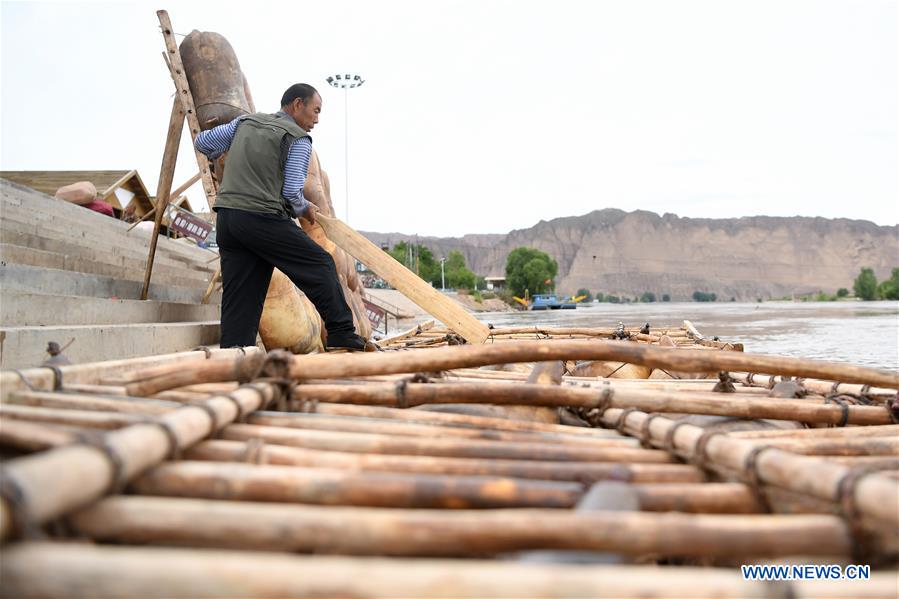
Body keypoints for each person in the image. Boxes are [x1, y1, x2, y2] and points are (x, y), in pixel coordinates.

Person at [195, 83, 366, 351]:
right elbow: (290, 192)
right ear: (297, 104)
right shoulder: (297, 139)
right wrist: (305, 208)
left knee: (243, 296)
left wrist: (224, 152)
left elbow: (203, 142)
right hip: (261, 217)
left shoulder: (245, 123)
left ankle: (233, 355)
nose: (317, 120)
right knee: (320, 263)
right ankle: (341, 332)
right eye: (316, 111)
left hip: (228, 221)